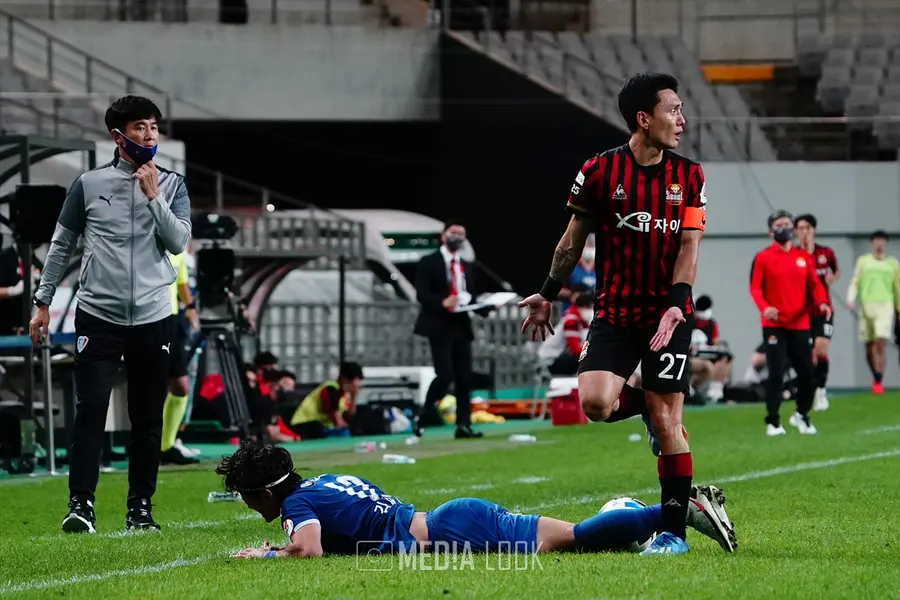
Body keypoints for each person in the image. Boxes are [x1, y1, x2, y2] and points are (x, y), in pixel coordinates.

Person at [518, 72, 708, 555]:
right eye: (673, 110)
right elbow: (572, 241)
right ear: (643, 118)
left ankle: (674, 535)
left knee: (669, 423)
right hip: (616, 313)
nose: (682, 120)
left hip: (668, 315)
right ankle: (647, 406)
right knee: (597, 404)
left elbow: (689, 246)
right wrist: (548, 292)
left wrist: (677, 302)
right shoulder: (600, 171)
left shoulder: (689, 176)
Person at [28, 95, 191, 533]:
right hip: (99, 315)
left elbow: (178, 243)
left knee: (147, 418)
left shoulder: (173, 184)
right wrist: (42, 302)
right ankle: (81, 505)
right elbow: (61, 246)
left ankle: (140, 509)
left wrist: (153, 197)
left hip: (153, 316)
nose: (150, 135)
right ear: (118, 137)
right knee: (91, 409)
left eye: (154, 126)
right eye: (140, 127)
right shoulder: (88, 184)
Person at [217, 442, 737, 559]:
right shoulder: (325, 481)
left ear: (265, 491)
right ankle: (634, 514)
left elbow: (309, 549)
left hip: (451, 531)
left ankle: (681, 510)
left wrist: (267, 554)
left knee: (573, 541)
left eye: (246, 497)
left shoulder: (296, 506)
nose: (248, 505)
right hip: (451, 519)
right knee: (574, 538)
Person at [749, 210, 830, 437]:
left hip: (800, 324)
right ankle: (773, 421)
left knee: (807, 373)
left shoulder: (803, 257)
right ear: (770, 231)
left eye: (787, 224)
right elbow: (755, 288)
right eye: (779, 225)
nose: (784, 228)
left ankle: (801, 414)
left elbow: (815, 285)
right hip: (774, 325)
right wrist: (765, 308)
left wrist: (823, 302)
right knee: (776, 373)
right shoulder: (763, 257)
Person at [413, 219, 491, 439]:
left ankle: (463, 425)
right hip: (439, 324)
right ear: (443, 235)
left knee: (464, 377)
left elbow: (470, 296)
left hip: (461, 324)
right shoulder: (429, 262)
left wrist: (487, 306)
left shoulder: (465, 265)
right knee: (445, 374)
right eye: (453, 232)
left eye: (461, 234)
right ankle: (424, 413)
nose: (457, 237)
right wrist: (442, 302)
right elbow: (421, 294)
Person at [794, 214, 839, 410]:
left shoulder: (825, 252)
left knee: (821, 348)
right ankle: (809, 389)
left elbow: (836, 270)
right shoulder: (794, 254)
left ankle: (821, 390)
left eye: (808, 228)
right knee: (807, 354)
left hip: (823, 309)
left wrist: (832, 278)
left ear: (814, 230)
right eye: (801, 228)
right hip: (801, 311)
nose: (805, 232)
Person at [846, 230, 900, 395]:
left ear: (886, 244)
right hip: (866, 306)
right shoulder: (863, 261)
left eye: (882, 241)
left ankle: (879, 380)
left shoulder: (893, 264)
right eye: (877, 240)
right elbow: (855, 281)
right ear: (872, 243)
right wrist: (851, 298)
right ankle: (875, 375)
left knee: (880, 341)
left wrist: (898, 309)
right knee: (869, 347)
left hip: (886, 306)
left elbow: (897, 287)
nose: (879, 244)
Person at [160, 250, 201, 465]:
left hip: (172, 320)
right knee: (150, 386)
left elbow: (181, 282)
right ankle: (151, 445)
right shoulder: (145, 243)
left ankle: (166, 445)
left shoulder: (178, 251)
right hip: (146, 319)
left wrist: (191, 308)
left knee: (181, 386)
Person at [287, 362, 362, 440]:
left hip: (322, 428)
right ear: (344, 378)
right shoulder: (330, 389)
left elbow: (349, 416)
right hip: (303, 425)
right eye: (353, 381)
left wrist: (354, 397)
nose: (356, 385)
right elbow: (337, 421)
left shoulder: (343, 395)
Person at [537, 289, 593, 376]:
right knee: (587, 358)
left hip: (559, 356)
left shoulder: (580, 320)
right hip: (550, 361)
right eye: (589, 307)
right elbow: (575, 350)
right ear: (584, 307)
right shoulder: (571, 320)